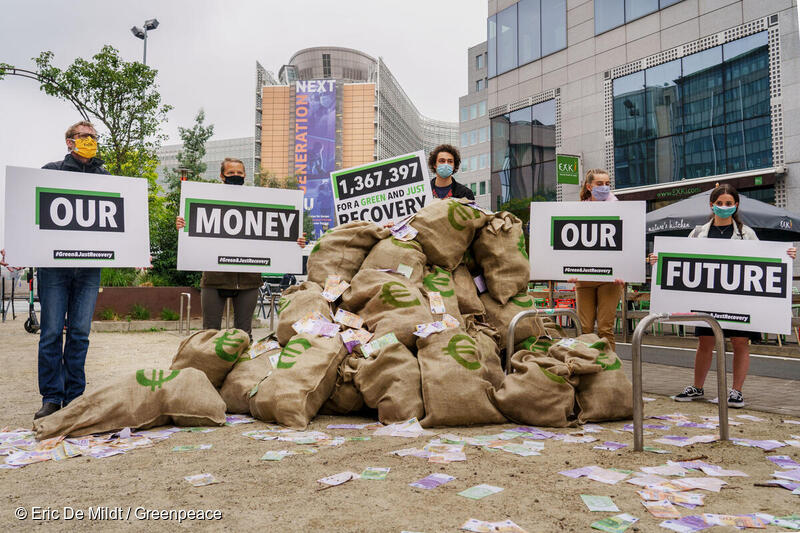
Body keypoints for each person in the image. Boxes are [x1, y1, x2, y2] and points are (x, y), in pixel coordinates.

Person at [649, 184, 796, 408]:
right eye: (720, 203)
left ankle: (736, 391)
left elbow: (764, 261)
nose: (724, 207)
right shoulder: (698, 233)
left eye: (728, 204)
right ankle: (697, 387)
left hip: (740, 300)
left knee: (740, 342)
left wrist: (787, 255)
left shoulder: (747, 234)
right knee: (705, 341)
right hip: (707, 299)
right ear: (711, 205)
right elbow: (680, 257)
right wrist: (657, 260)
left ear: (736, 205)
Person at [176, 158, 306, 338]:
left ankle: (242, 366)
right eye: (230, 173)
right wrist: (182, 225)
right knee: (209, 334)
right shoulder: (209, 197)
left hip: (248, 280)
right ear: (222, 176)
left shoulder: (258, 199)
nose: (235, 176)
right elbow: (194, 229)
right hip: (214, 278)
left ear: (245, 175)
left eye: (239, 173)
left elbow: (277, 234)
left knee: (244, 335)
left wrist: (296, 241)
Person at [33, 121, 109, 419]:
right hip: (54, 267)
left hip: (89, 267)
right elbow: (32, 210)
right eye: (83, 136)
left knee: (79, 332)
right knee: (51, 332)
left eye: (93, 136)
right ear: (69, 142)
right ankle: (52, 396)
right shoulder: (51, 171)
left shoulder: (105, 176)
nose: (89, 140)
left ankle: (75, 396)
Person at [570, 169, 624, 350]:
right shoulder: (577, 211)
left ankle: (610, 373)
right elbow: (570, 245)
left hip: (610, 279)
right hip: (584, 278)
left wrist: (624, 270)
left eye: (607, 184)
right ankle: (587, 369)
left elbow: (627, 244)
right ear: (589, 186)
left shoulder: (621, 210)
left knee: (605, 329)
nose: (605, 187)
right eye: (599, 184)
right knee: (584, 329)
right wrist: (566, 269)